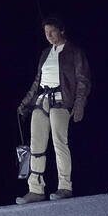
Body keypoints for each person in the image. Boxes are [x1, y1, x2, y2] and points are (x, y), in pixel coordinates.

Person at [16, 16, 91, 203]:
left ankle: (65, 186)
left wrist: (79, 104)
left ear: (61, 30)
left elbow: (83, 80)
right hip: (41, 101)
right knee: (36, 146)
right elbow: (37, 81)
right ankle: (35, 189)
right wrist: (25, 104)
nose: (48, 36)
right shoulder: (45, 53)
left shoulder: (74, 52)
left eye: (52, 32)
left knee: (60, 143)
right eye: (46, 33)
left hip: (60, 101)